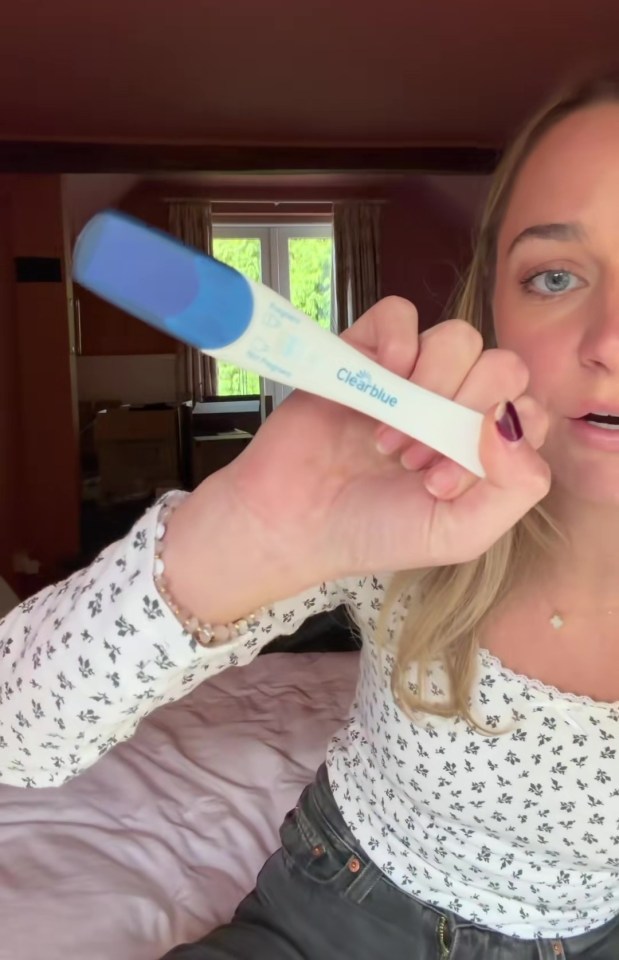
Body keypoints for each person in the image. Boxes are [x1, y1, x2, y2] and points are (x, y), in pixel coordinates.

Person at [3, 70, 619, 959]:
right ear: (492, 306)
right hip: (334, 916)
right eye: (555, 275)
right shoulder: (406, 510)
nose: (608, 342)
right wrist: (246, 533)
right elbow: (12, 737)